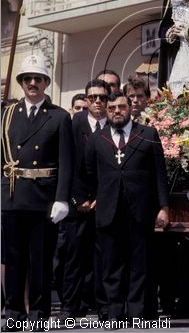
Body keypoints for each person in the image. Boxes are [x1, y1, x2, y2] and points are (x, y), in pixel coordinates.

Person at [1, 54, 73, 330]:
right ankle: (15, 313)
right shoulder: (6, 115)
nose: (33, 83)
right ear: (21, 83)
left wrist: (62, 198)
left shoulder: (58, 117)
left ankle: (39, 314)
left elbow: (68, 161)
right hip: (13, 194)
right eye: (28, 79)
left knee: (40, 259)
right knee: (14, 258)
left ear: (46, 83)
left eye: (38, 79)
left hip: (43, 197)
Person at [85, 91, 169, 323]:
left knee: (139, 263)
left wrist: (163, 207)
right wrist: (90, 197)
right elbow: (89, 173)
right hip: (108, 210)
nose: (116, 112)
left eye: (120, 107)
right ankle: (114, 313)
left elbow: (159, 174)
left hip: (140, 210)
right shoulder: (97, 139)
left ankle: (138, 313)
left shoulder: (148, 134)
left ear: (129, 107)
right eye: (111, 108)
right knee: (111, 265)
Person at [55, 79, 111, 324]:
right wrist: (78, 198)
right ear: (86, 100)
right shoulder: (73, 123)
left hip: (105, 201)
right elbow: (68, 163)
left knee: (103, 257)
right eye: (93, 97)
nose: (97, 101)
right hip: (77, 201)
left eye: (102, 97)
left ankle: (104, 307)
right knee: (74, 257)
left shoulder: (115, 125)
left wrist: (101, 198)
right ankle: (69, 306)